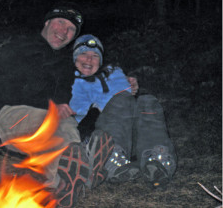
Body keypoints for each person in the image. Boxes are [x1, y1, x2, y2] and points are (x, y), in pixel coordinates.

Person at [0, 4, 114, 207]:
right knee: (51, 120)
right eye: (60, 23)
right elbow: (6, 91)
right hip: (9, 119)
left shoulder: (66, 65)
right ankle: (83, 171)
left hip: (47, 125)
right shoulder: (18, 48)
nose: (63, 32)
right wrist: (49, 107)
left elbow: (70, 98)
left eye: (71, 29)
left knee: (65, 124)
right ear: (47, 22)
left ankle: (65, 185)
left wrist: (127, 84)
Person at [69, 34, 177, 189]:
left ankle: (155, 159)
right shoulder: (66, 80)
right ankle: (111, 158)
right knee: (120, 100)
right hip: (92, 138)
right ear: (74, 57)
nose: (89, 60)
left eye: (94, 56)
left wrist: (126, 85)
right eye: (83, 54)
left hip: (126, 134)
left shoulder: (111, 75)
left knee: (148, 101)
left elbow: (126, 97)